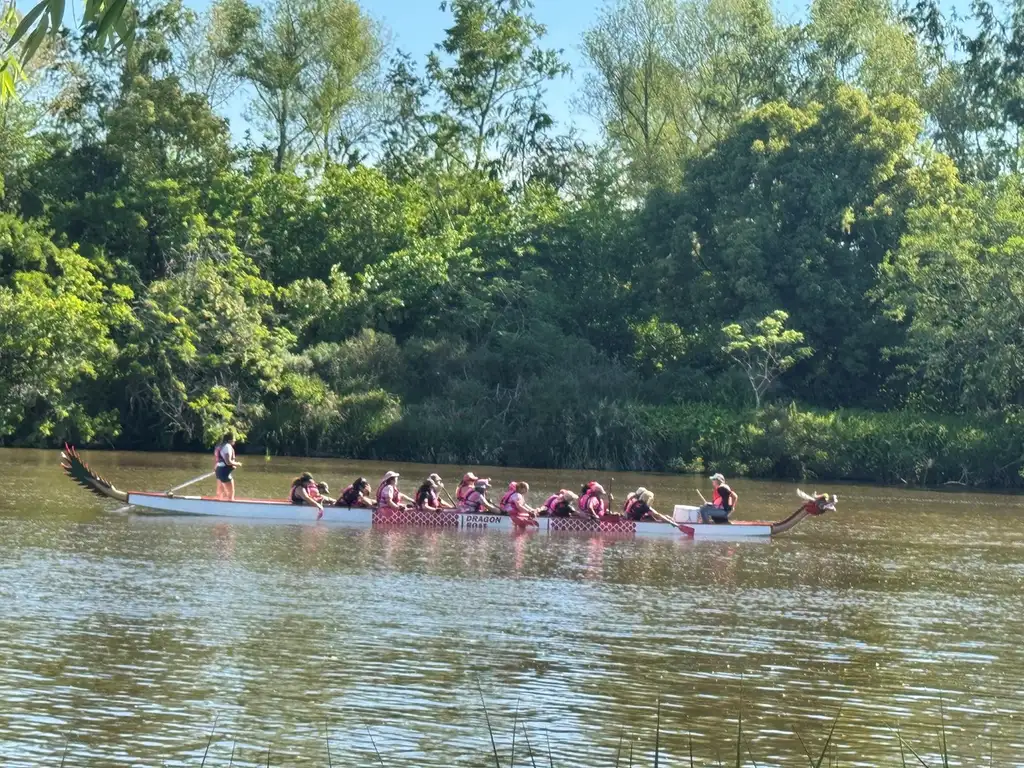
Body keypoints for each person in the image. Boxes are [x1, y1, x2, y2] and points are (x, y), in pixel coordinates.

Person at [213, 432, 241, 500]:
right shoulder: (227, 446)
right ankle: (230, 503)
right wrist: (237, 463)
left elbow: (219, 461)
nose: (235, 440)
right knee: (231, 493)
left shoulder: (219, 446)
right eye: (234, 438)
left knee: (220, 493)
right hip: (224, 472)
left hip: (219, 470)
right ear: (230, 440)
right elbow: (228, 462)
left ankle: (219, 505)